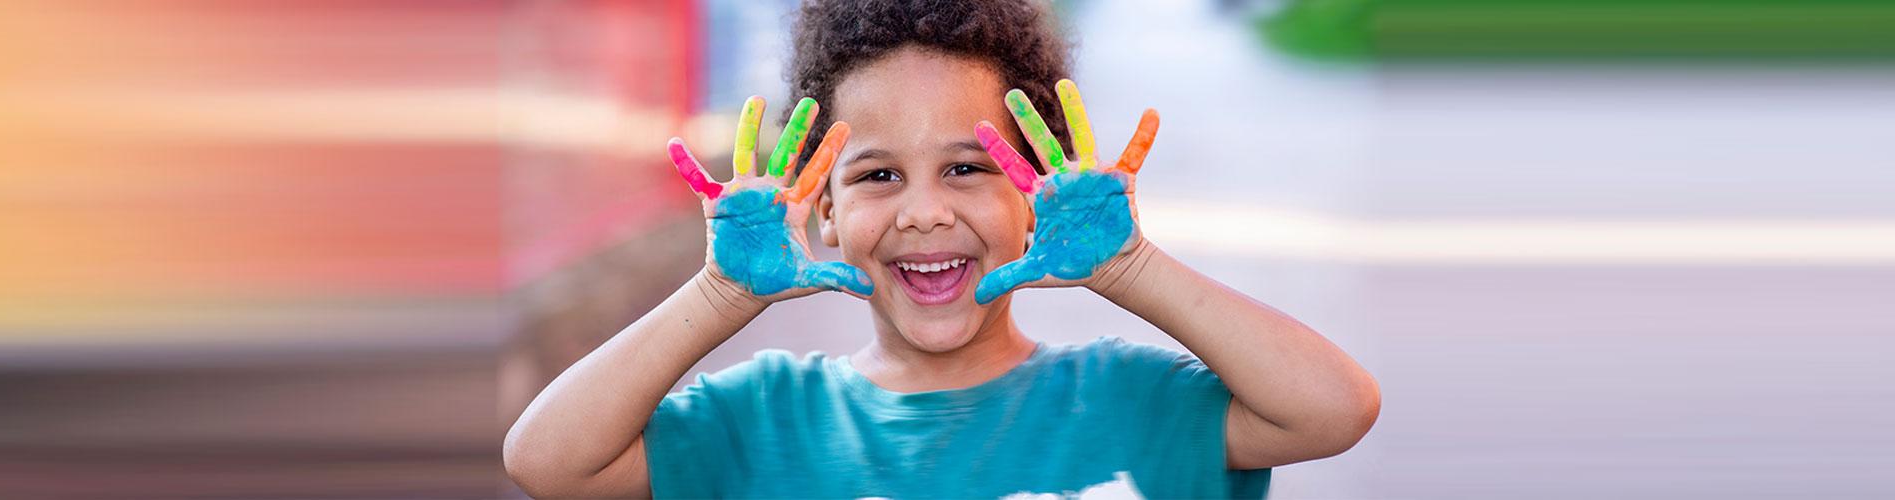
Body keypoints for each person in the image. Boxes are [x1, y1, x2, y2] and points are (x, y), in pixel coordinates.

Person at [505, 1, 1379, 497]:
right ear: (825, 211)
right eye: (878, 177)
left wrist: (1130, 267)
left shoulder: (1128, 400)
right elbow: (546, 462)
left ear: (1034, 193)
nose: (924, 213)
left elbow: (1332, 410)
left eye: (966, 167)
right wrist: (722, 295)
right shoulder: (759, 420)